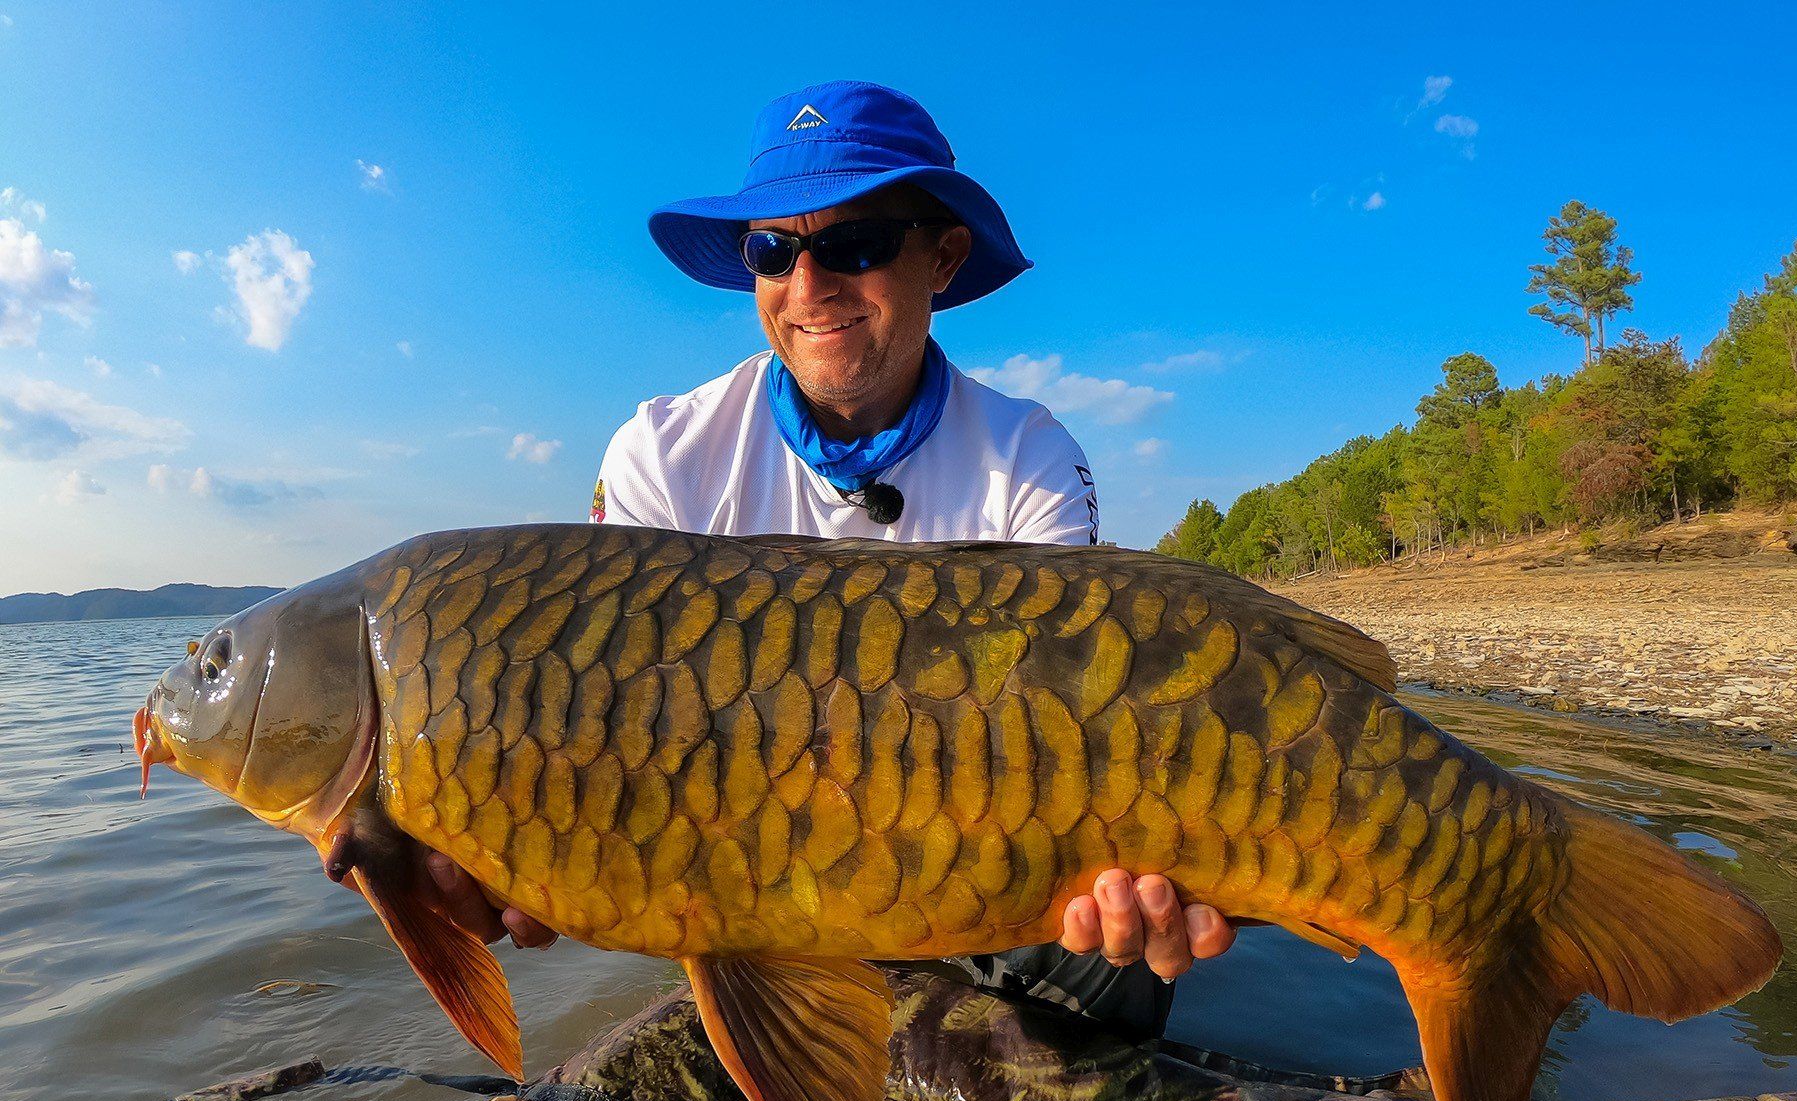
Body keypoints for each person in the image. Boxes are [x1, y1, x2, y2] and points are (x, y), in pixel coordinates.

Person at [423, 80, 1234, 1036]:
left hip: (984, 868)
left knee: (1116, 961)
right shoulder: (658, 455)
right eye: (773, 250)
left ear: (943, 256)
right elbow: (611, 727)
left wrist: (1137, 885)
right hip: (747, 878)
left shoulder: (1031, 458)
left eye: (856, 244)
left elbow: (1074, 738)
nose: (810, 287)